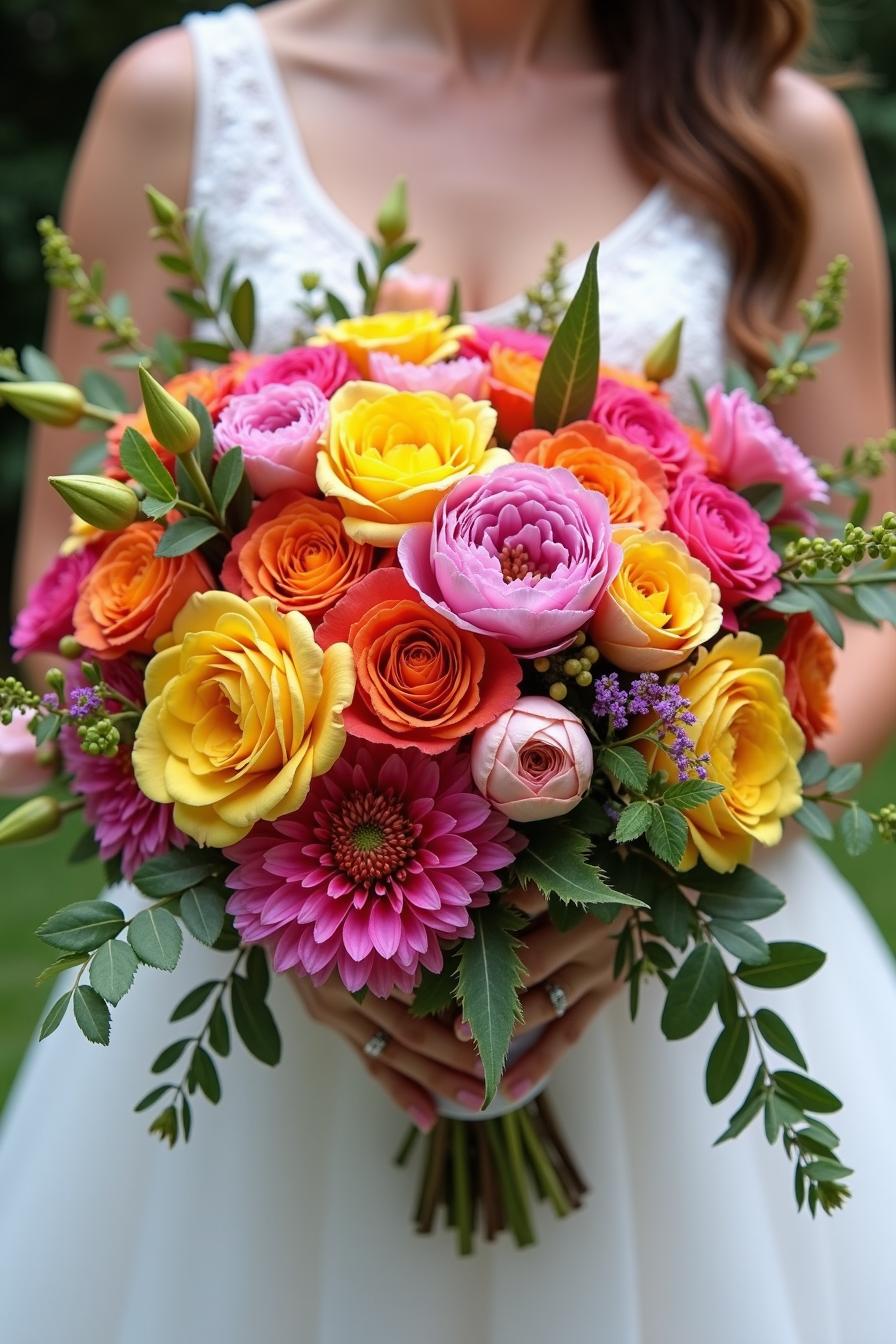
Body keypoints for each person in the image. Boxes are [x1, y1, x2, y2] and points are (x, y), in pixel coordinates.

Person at [3, 2, 896, 1340]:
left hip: (666, 976)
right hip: (275, 1009)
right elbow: (68, 604)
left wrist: (657, 853)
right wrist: (285, 899)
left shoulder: (772, 130)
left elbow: (873, 594)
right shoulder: (179, 100)